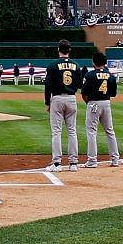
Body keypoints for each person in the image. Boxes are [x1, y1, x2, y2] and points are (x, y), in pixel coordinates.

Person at [44, 40, 83, 170]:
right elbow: (79, 85)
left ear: (58, 50)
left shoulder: (52, 65)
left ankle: (57, 163)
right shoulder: (76, 65)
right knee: (72, 131)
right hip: (71, 98)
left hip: (57, 98)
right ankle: (73, 163)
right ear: (69, 50)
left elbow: (48, 86)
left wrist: (47, 102)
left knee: (56, 132)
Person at [79, 50, 119, 167]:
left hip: (93, 103)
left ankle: (92, 160)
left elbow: (84, 93)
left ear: (94, 62)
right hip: (106, 102)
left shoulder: (89, 75)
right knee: (110, 131)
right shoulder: (110, 75)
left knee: (91, 131)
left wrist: (89, 103)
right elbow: (113, 93)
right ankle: (115, 159)